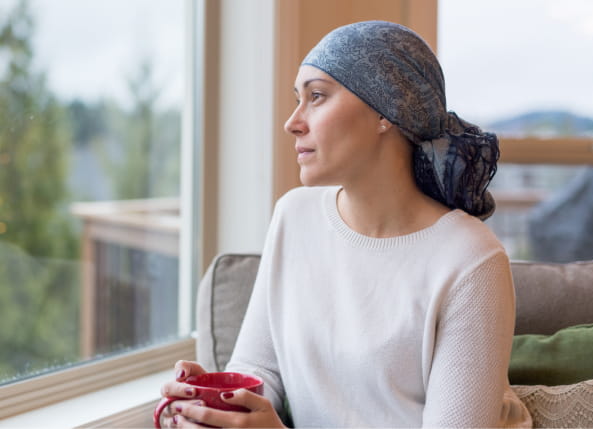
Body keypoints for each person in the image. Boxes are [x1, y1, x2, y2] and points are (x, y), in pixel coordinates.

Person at [159, 20, 532, 428]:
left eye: (316, 96)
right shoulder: (294, 216)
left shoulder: (472, 259)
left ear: (387, 112)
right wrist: (218, 404)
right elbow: (259, 367)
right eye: (297, 99)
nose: (293, 121)